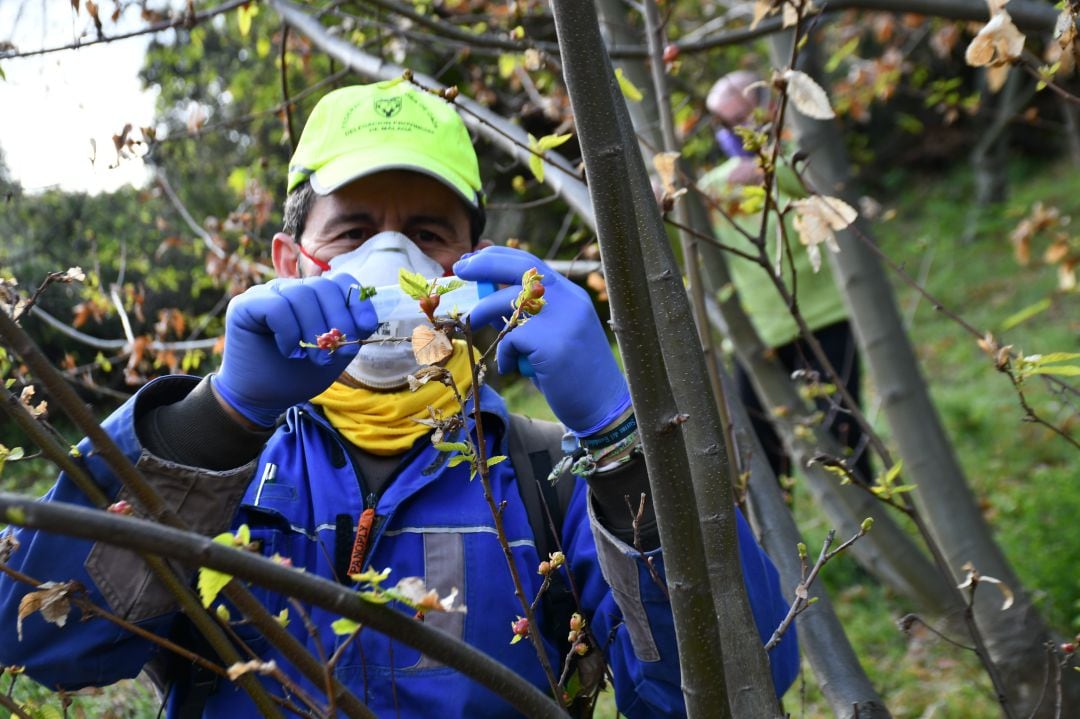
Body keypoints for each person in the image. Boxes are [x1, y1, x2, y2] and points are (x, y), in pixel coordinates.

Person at [0, 81, 798, 717]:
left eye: (426, 232)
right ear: (291, 261)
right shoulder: (221, 477)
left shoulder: (547, 477)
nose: (392, 258)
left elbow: (734, 690)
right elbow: (40, 641)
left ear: (472, 263)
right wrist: (216, 418)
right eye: (351, 233)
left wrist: (621, 442)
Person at [699, 71, 871, 484]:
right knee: (759, 448)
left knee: (845, 430)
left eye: (743, 117)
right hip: (759, 337)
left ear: (769, 109)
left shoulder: (802, 158)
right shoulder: (715, 188)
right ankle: (780, 540)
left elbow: (833, 204)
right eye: (725, 123)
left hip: (824, 318)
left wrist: (772, 171)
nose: (737, 131)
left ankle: (868, 510)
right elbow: (681, 242)